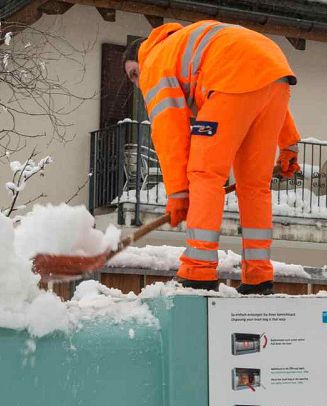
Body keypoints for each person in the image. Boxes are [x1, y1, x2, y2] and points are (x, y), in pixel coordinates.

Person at [124, 21, 301, 295]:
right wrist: (288, 144)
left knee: (205, 174)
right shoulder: (184, 48)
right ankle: (258, 276)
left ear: (142, 57)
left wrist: (178, 193)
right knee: (254, 186)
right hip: (276, 72)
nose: (138, 83)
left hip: (231, 80)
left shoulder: (155, 61)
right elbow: (259, 82)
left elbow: (170, 135)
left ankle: (199, 270)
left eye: (134, 73)